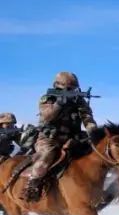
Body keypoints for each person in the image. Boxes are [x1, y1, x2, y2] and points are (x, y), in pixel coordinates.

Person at [23, 72, 97, 202]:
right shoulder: (48, 97)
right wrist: (59, 104)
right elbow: (46, 116)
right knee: (47, 155)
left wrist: (93, 131)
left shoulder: (78, 100)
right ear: (59, 87)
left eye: (74, 88)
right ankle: (32, 186)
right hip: (49, 139)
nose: (73, 91)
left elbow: (87, 118)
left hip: (72, 138)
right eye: (69, 88)